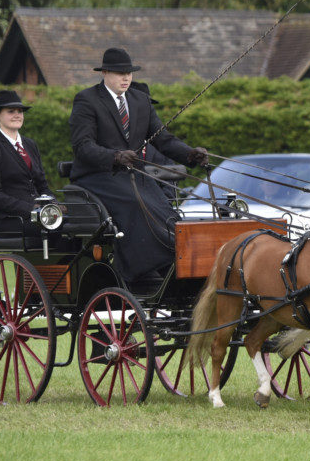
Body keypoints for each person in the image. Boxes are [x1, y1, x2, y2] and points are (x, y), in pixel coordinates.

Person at [68, 48, 208, 284]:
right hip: (98, 176)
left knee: (165, 209)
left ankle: (170, 262)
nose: (126, 78)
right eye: (120, 73)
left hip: (133, 175)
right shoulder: (87, 100)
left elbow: (163, 139)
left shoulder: (140, 100)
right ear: (104, 73)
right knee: (135, 204)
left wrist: (190, 154)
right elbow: (83, 146)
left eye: (129, 73)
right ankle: (138, 270)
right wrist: (115, 156)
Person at [0, 90, 54, 237]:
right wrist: (31, 208)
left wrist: (54, 204)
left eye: (20, 111)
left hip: (38, 215)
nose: (17, 115)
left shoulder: (30, 145)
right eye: (11, 111)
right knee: (55, 229)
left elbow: (42, 185)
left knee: (74, 226)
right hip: (8, 219)